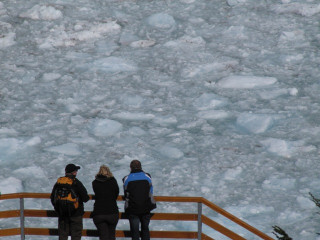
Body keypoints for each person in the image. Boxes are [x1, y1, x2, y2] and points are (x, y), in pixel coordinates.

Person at [51, 163, 90, 240]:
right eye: (76, 171)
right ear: (73, 172)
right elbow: (85, 198)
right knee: (76, 236)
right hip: (76, 214)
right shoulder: (76, 183)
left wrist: (59, 208)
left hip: (62, 214)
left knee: (62, 236)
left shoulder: (59, 183)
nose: (76, 172)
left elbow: (53, 198)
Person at [122, 160, 156, 240]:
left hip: (133, 208)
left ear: (131, 168)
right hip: (146, 207)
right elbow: (150, 191)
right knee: (145, 229)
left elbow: (126, 193)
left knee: (135, 232)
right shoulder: (147, 177)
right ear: (141, 166)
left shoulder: (126, 179)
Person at [91, 165, 119, 240]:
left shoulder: (95, 182)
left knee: (103, 236)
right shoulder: (113, 181)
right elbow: (116, 193)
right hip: (112, 211)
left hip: (99, 212)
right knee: (111, 235)